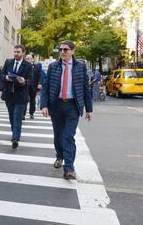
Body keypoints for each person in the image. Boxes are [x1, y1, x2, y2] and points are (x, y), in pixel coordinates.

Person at [40, 40, 92, 180]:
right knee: (58, 135)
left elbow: (85, 89)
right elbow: (46, 87)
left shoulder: (81, 67)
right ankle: (59, 156)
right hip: (56, 105)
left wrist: (89, 109)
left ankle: (69, 168)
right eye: (60, 49)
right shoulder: (53, 66)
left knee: (68, 136)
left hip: (72, 106)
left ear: (72, 51)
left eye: (65, 49)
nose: (62, 52)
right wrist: (43, 105)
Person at [0, 45, 32, 149]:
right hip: (9, 95)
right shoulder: (8, 62)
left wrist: (24, 81)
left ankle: (15, 138)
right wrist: (6, 77)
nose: (16, 54)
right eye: (14, 52)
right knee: (12, 117)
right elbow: (0, 75)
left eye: (18, 52)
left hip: (21, 96)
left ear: (23, 53)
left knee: (17, 117)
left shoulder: (28, 65)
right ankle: (15, 134)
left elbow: (30, 81)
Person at [24, 54, 42, 120]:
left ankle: (31, 114)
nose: (27, 59)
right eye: (26, 58)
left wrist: (39, 83)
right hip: (25, 86)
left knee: (32, 101)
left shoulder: (36, 67)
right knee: (24, 100)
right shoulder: (23, 66)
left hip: (33, 87)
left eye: (29, 58)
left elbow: (40, 76)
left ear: (32, 59)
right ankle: (23, 114)